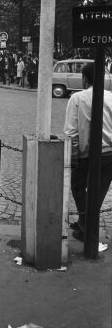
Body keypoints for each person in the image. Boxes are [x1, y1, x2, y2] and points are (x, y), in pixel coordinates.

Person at [63, 62, 112, 241]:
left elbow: (71, 132)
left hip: (87, 154)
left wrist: (73, 158)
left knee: (77, 187)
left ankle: (87, 228)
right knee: (98, 192)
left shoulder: (77, 98)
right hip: (109, 155)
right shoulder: (111, 97)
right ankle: (86, 221)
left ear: (84, 79)